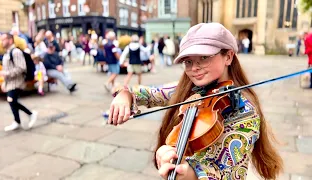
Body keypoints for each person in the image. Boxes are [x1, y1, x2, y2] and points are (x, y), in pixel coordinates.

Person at [108, 23, 283, 179]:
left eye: (204, 58)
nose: (194, 68)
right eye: (188, 61)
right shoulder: (191, 89)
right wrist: (125, 94)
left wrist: (190, 174)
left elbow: (228, 174)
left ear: (228, 56)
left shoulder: (245, 111)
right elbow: (149, 93)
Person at [0, 33, 37, 131]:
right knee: (12, 102)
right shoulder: (7, 53)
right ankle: (17, 121)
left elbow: (21, 68)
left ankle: (30, 114)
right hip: (10, 83)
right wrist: (4, 83)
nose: (1, 42)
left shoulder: (16, 52)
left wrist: (5, 74)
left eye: (3, 39)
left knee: (11, 100)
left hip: (17, 82)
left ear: (10, 40)